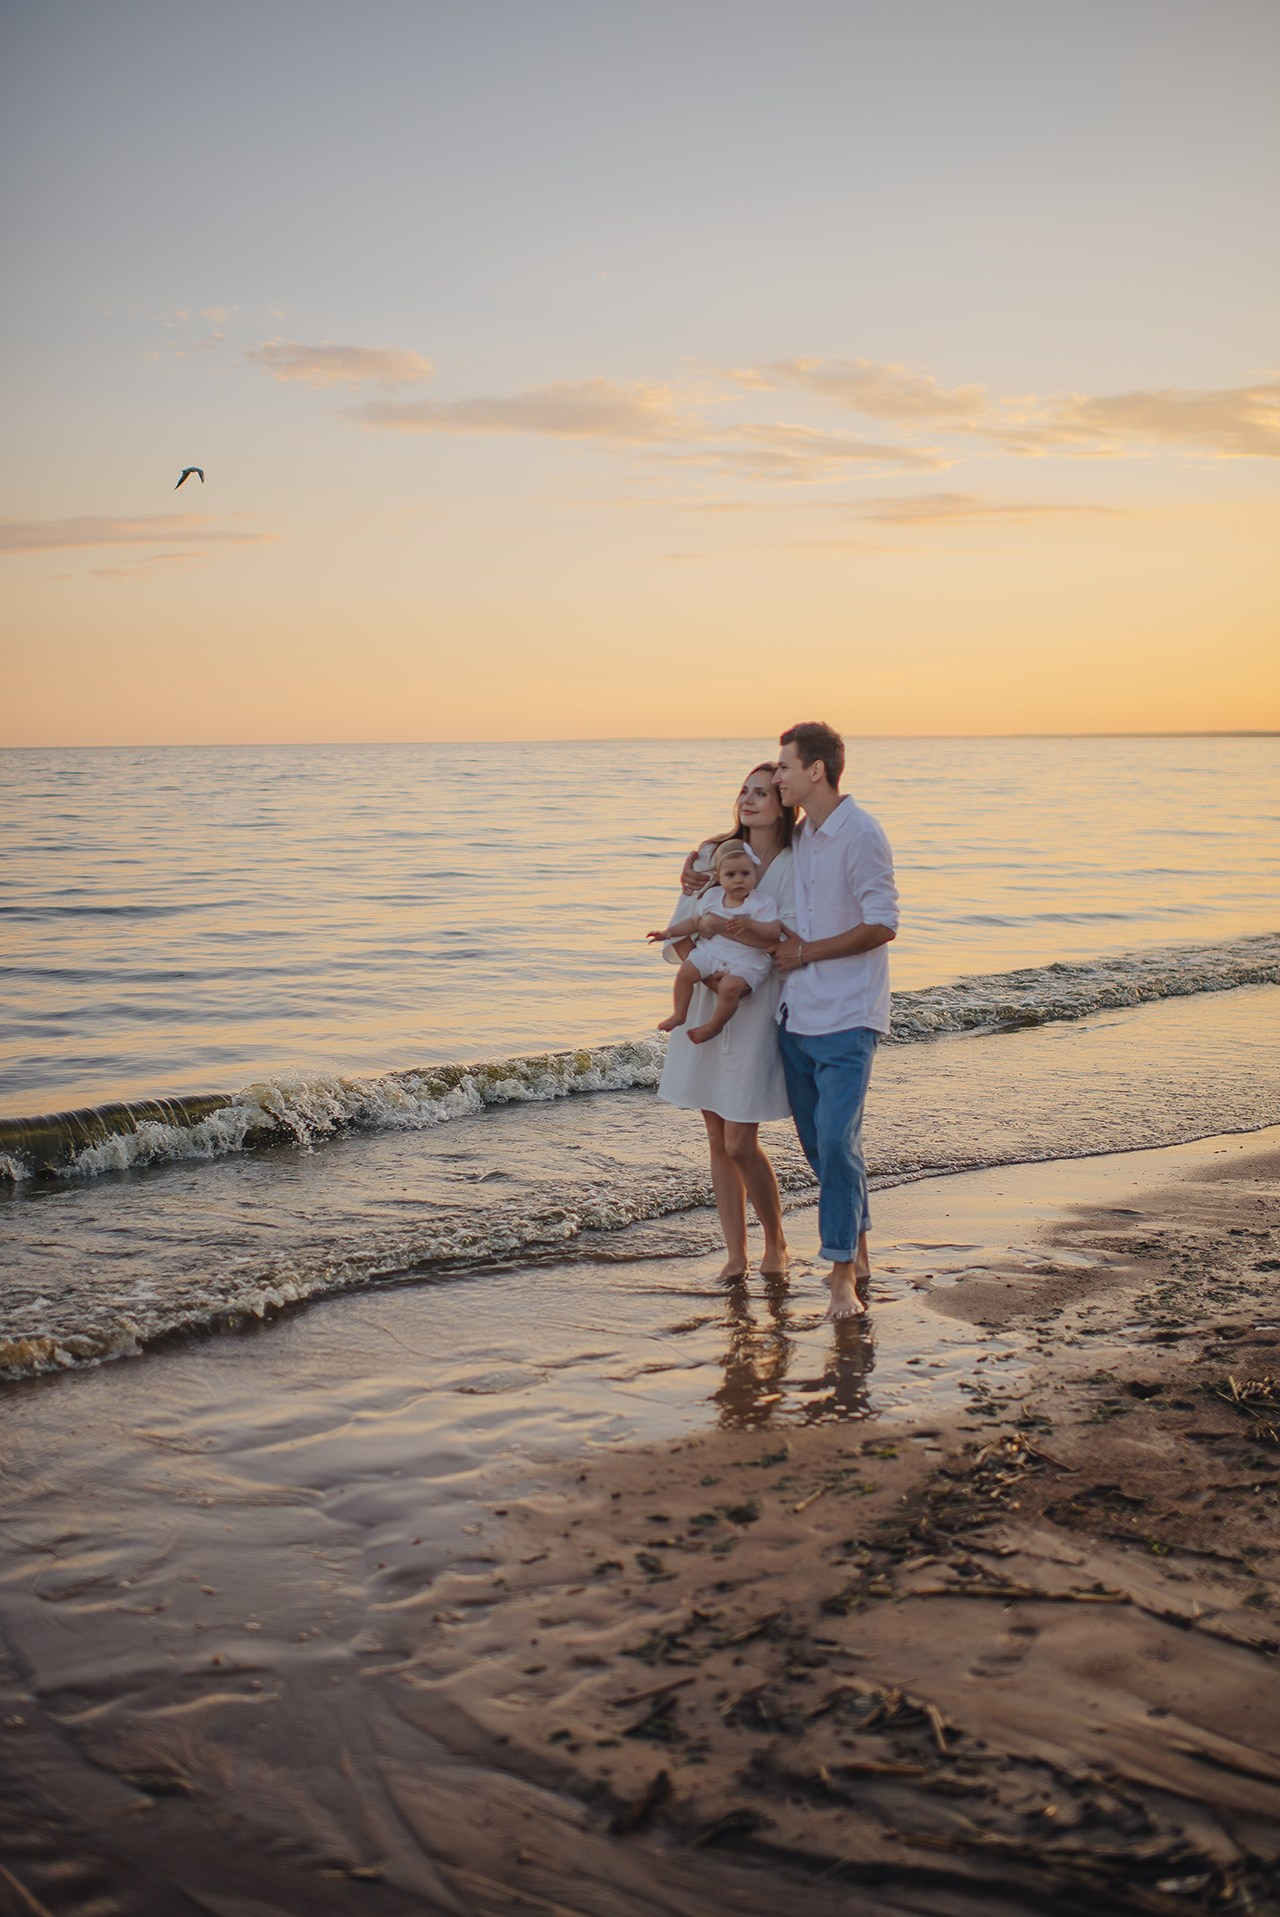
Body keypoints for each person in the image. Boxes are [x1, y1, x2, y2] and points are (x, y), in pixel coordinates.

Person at [770, 722, 899, 1322]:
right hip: (796, 1015)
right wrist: (697, 871)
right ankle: (861, 1249)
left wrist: (807, 952)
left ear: (815, 770)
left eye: (784, 768)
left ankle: (841, 1275)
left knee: (841, 1147)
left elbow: (882, 923)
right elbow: (745, 860)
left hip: (848, 1015)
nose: (778, 778)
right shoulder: (800, 837)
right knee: (820, 1146)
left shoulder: (862, 833)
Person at [656, 764, 797, 1281]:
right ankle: (736, 1253)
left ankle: (776, 1241)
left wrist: (736, 952)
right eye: (743, 790)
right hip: (706, 1002)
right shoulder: (712, 855)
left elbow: (789, 939)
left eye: (761, 792)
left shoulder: (796, 861)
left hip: (759, 1005)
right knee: (716, 1139)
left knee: (741, 1140)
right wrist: (710, 976)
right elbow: (683, 930)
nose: (748, 799)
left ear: (784, 799)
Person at [650, 841, 782, 1044]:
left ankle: (714, 1025)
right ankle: (679, 1014)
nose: (738, 880)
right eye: (731, 875)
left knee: (730, 987)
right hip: (712, 952)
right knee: (686, 972)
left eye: (745, 874)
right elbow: (694, 922)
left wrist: (750, 924)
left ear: (755, 875)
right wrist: (667, 933)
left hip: (747, 959)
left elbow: (773, 932)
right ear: (719, 878)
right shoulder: (712, 897)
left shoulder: (761, 903)